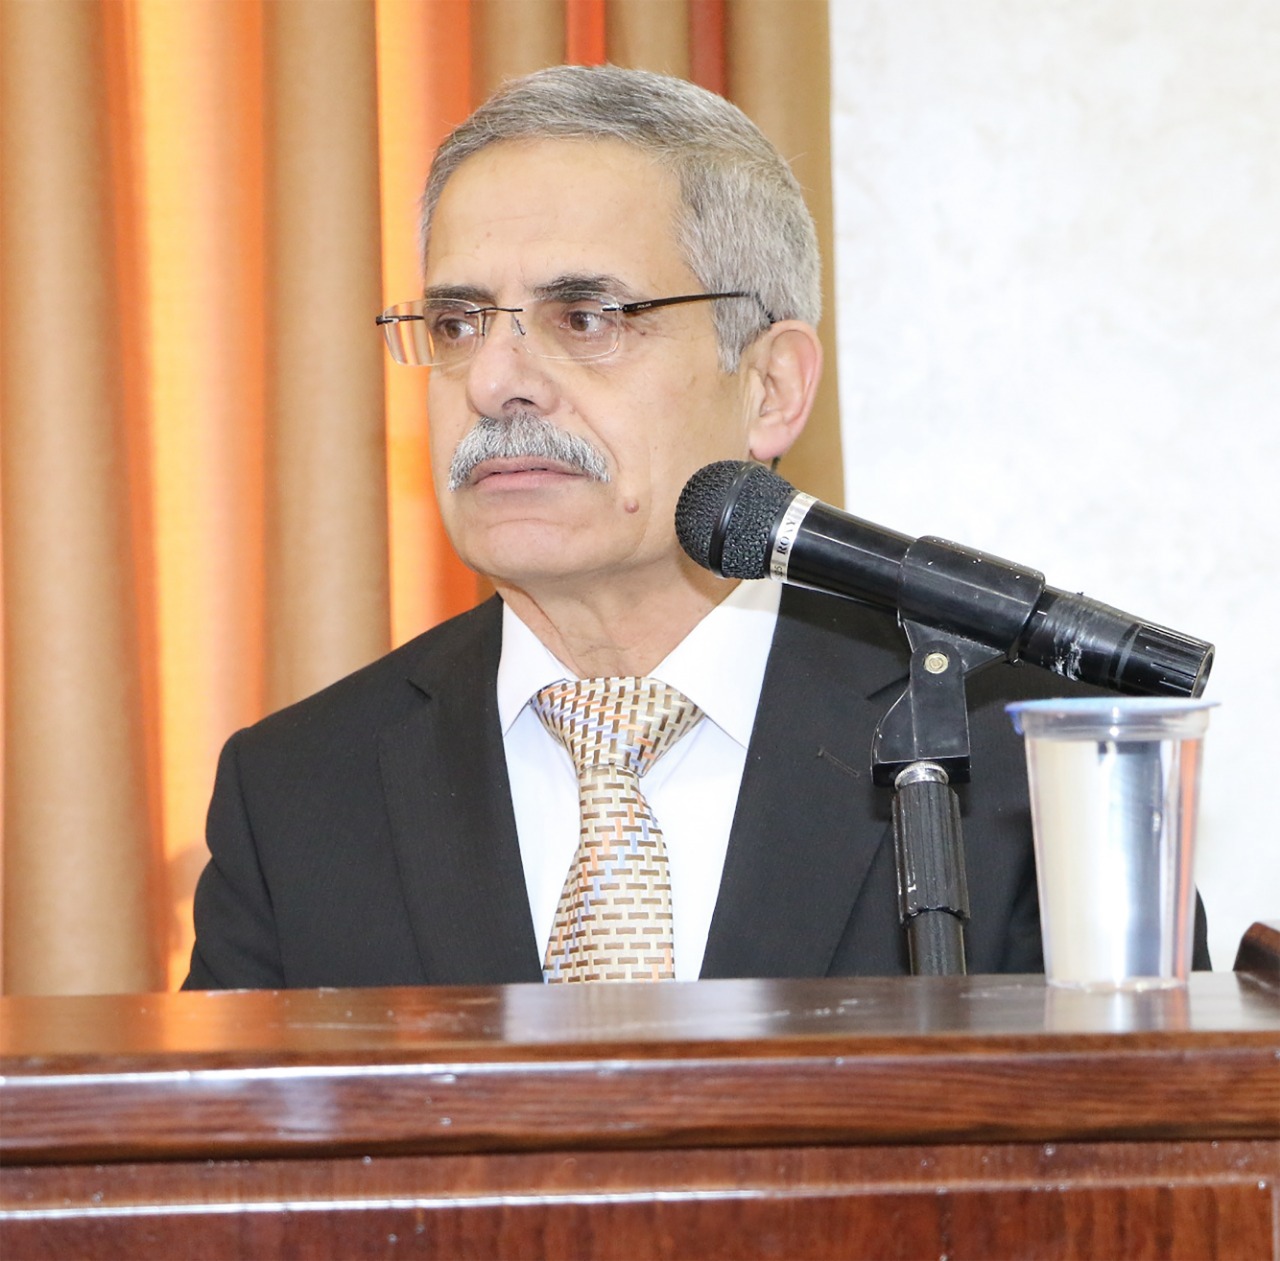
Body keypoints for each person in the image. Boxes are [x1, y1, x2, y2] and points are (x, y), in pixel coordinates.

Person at [184, 64, 1207, 989]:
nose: (493, 381)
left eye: (585, 318)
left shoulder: (1034, 772)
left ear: (769, 387)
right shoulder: (295, 794)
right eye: (456, 323)